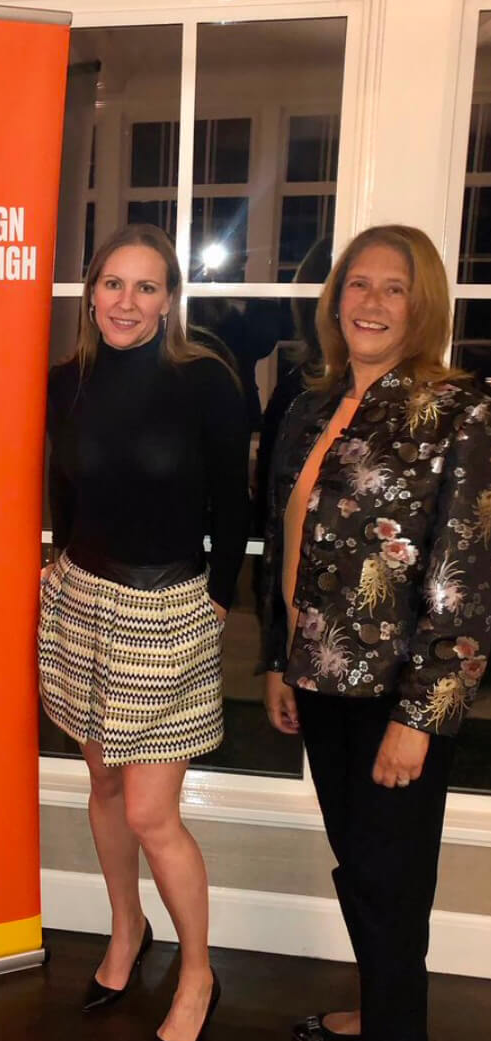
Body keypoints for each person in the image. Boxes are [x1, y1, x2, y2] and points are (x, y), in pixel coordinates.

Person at [262, 225, 491, 1041]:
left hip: (396, 695)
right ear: (335, 299)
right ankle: (386, 1012)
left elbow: (463, 579)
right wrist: (277, 662)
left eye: (392, 288)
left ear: (420, 304)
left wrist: (419, 717)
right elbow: (283, 544)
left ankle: (396, 1027)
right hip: (317, 678)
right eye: (357, 284)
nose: (370, 303)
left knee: (391, 881)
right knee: (362, 870)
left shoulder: (458, 411)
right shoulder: (310, 402)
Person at [40, 224, 250, 1041]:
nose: (126, 302)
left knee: (151, 812)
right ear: (91, 292)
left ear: (169, 301)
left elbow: (234, 505)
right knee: (99, 785)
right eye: (112, 284)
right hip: (81, 603)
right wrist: (59, 563)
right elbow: (63, 484)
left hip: (166, 611)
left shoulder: (205, 383)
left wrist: (219, 601)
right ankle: (127, 927)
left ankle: (198, 971)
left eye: (146, 287)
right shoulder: (66, 381)